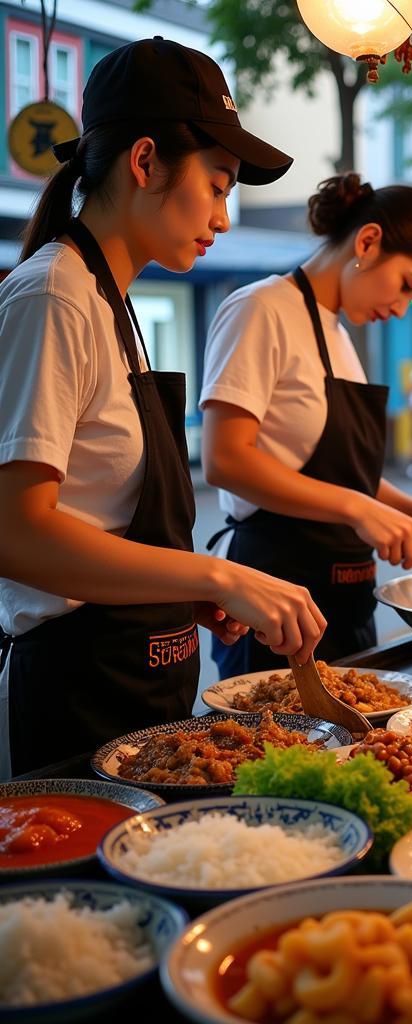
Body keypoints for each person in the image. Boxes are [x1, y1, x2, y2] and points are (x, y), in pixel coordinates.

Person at [0, 37, 325, 778]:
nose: (224, 215)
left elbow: (98, 515)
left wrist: (177, 586)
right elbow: (16, 533)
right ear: (144, 163)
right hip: (70, 699)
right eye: (217, 184)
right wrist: (215, 575)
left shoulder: (112, 301)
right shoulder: (54, 295)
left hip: (143, 686)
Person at [201, 175, 412, 676]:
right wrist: (358, 507)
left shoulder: (340, 336)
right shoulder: (259, 309)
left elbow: (343, 471)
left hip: (346, 600)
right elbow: (226, 460)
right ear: (368, 242)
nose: (400, 309)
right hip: (275, 598)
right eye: (407, 286)